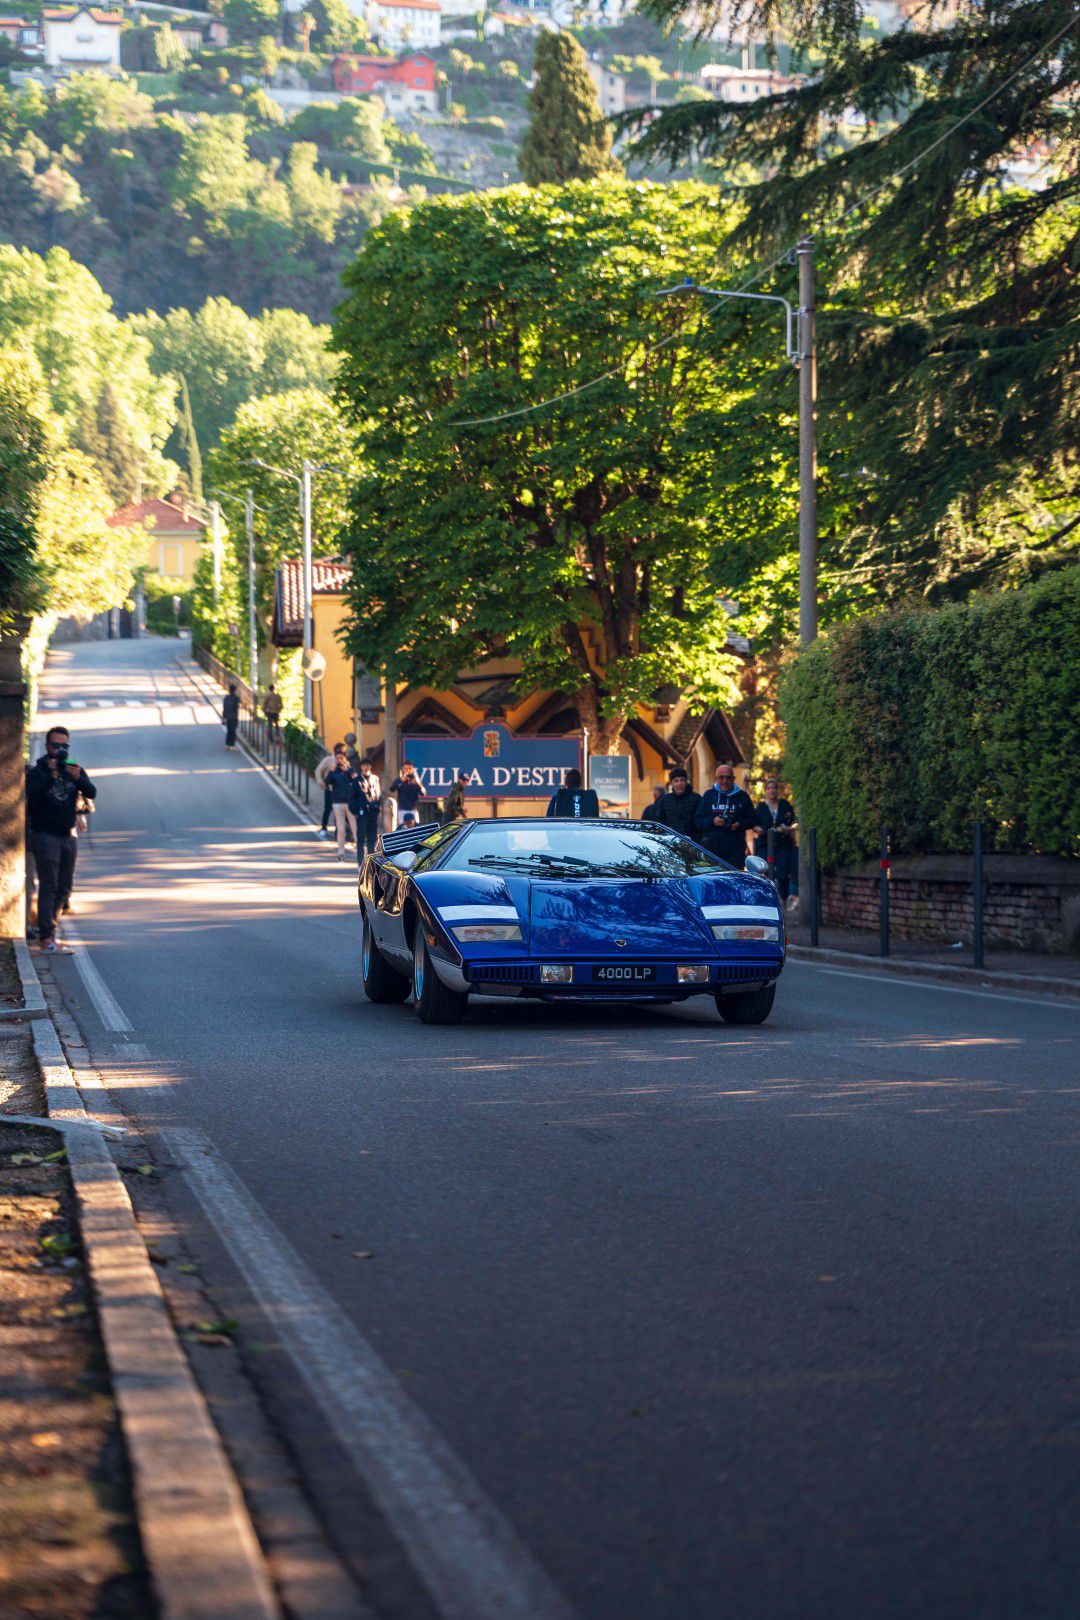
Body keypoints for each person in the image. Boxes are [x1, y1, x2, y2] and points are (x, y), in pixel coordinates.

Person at [26, 726, 96, 954]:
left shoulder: (72, 767)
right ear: (47, 747)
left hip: (67, 835)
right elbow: (32, 798)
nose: (60, 750)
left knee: (64, 888)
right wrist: (51, 776)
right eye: (56, 746)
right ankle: (46, 938)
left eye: (64, 746)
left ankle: (51, 931)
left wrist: (79, 778)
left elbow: (92, 792)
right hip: (45, 834)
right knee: (50, 886)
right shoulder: (39, 770)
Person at [693, 763, 756, 868]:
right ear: (716, 779)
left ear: (733, 779)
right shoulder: (708, 795)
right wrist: (713, 822)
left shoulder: (742, 796)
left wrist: (739, 824)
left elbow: (753, 820)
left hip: (735, 850)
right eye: (721, 778)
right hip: (711, 850)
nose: (725, 781)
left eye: (728, 777)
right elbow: (698, 820)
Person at [755, 777, 799, 903]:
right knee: (764, 873)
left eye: (774, 788)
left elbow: (794, 822)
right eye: (769, 788)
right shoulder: (761, 807)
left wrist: (788, 828)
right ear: (765, 791)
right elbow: (754, 824)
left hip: (782, 844)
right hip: (765, 844)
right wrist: (757, 828)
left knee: (783, 875)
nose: (771, 791)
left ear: (777, 790)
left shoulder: (785, 805)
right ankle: (767, 900)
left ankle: (783, 899)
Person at [326, 744, 358, 860]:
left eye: (341, 758)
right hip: (337, 802)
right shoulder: (334, 770)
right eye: (337, 758)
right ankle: (341, 852)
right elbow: (327, 782)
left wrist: (349, 770)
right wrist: (331, 770)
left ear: (345, 758)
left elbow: (357, 782)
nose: (339, 760)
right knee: (341, 828)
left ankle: (359, 852)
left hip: (350, 802)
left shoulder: (350, 769)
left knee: (355, 827)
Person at [653, 766, 701, 839]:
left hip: (693, 843)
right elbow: (659, 820)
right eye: (676, 781)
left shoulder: (696, 798)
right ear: (671, 783)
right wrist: (667, 829)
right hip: (671, 842)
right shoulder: (665, 800)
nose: (679, 783)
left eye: (682, 780)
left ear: (686, 781)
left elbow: (701, 821)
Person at [349, 758, 382, 857]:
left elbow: (379, 795)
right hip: (362, 812)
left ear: (371, 766)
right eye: (364, 765)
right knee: (361, 839)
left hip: (373, 811)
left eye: (368, 765)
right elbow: (351, 798)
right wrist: (355, 812)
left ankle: (370, 864)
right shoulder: (356, 780)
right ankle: (360, 863)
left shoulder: (375, 778)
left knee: (372, 839)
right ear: (361, 767)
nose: (366, 767)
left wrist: (377, 807)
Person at [390, 761, 424, 828]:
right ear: (402, 769)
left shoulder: (416, 780)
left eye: (410, 768)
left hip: (413, 810)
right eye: (406, 768)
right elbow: (392, 789)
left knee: (416, 828)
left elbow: (423, 793)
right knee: (403, 828)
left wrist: (419, 784)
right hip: (402, 809)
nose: (408, 770)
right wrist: (400, 780)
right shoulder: (400, 780)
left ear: (413, 769)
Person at [313, 746, 336, 839]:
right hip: (329, 788)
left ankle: (339, 831)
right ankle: (323, 827)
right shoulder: (328, 760)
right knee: (328, 808)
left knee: (340, 812)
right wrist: (321, 783)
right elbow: (318, 770)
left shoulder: (345, 762)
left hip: (341, 791)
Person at [222, 684, 240, 749]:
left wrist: (223, 718)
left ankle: (227, 744)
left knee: (229, 730)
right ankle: (232, 744)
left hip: (227, 716)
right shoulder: (236, 698)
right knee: (233, 731)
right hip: (234, 716)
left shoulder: (226, 698)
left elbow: (224, 708)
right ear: (235, 690)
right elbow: (237, 708)